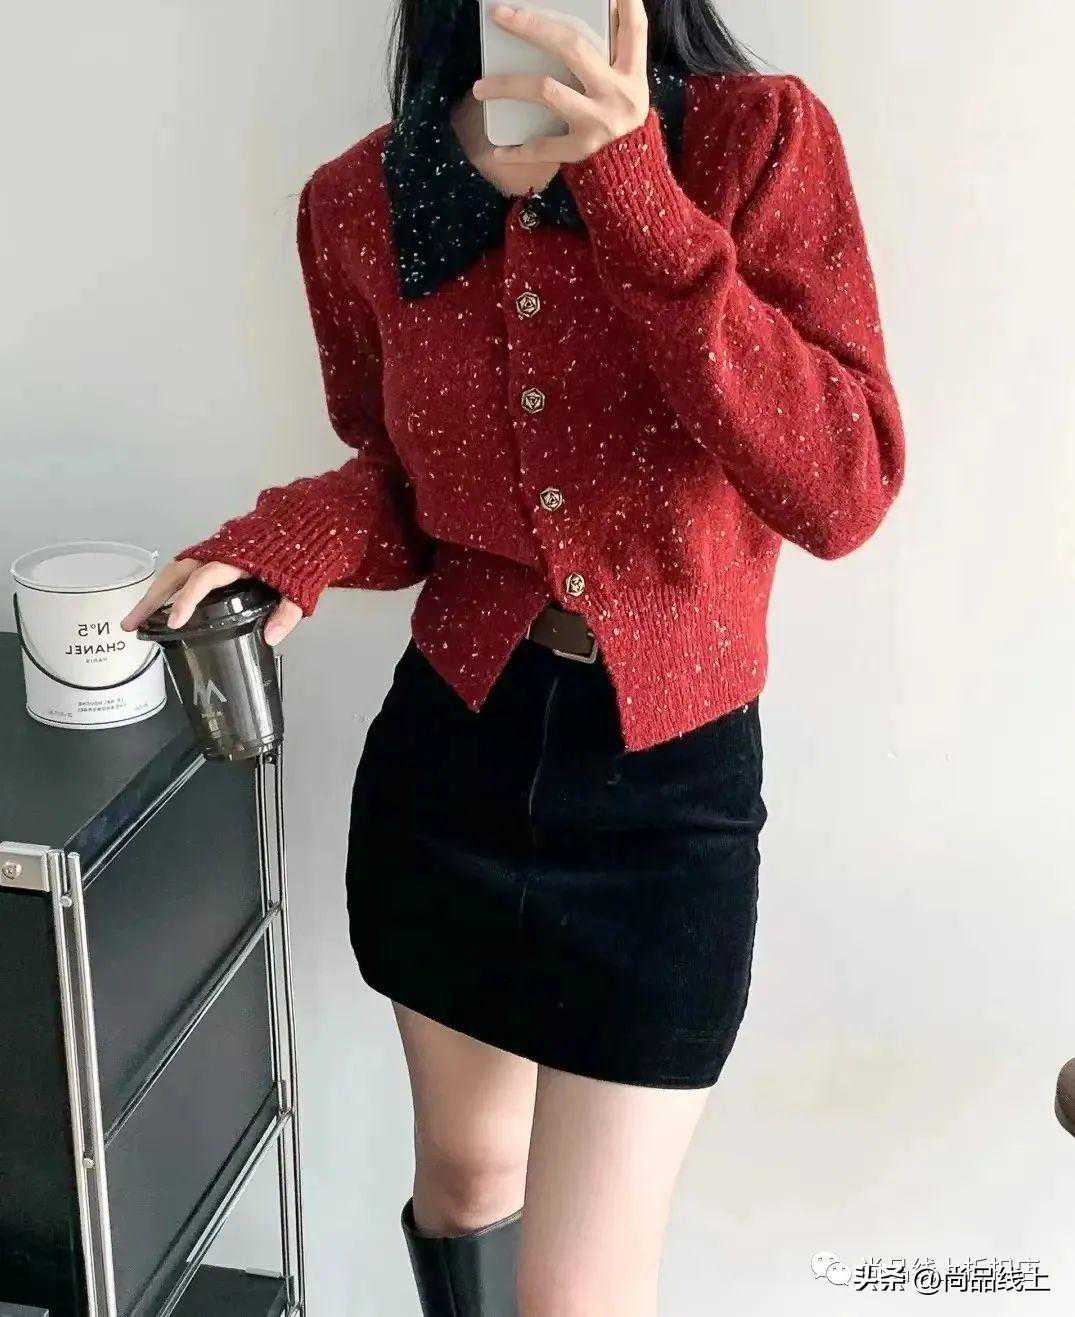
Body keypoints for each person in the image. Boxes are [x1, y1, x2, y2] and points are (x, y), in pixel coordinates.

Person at [122, 0, 906, 1311]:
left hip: (670, 799)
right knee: (466, 1181)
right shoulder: (362, 203)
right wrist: (290, 538)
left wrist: (638, 197)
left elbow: (845, 483)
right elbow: (404, 487)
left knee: (578, 1296)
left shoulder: (755, 143)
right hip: (453, 768)